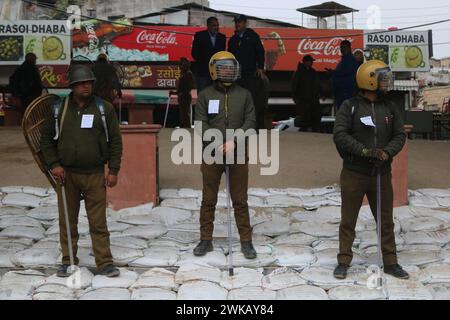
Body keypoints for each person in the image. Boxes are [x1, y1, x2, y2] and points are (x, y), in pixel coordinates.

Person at [40, 65, 123, 278]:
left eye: (89, 83)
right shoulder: (58, 109)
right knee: (68, 221)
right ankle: (68, 261)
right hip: (66, 175)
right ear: (73, 86)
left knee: (98, 222)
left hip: (95, 174)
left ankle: (104, 263)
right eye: (82, 83)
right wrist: (54, 165)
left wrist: (113, 170)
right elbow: (46, 141)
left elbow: (115, 141)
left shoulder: (104, 109)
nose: (87, 86)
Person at [333, 60, 409, 280]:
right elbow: (340, 135)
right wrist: (366, 152)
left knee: (386, 220)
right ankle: (343, 261)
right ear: (370, 80)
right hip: (354, 173)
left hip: (381, 174)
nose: (386, 82)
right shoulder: (350, 106)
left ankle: (391, 262)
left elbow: (399, 134)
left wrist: (387, 152)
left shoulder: (390, 107)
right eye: (382, 78)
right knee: (348, 220)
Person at [194, 51, 257, 259]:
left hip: (237, 154)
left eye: (232, 66)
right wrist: (216, 143)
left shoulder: (245, 95)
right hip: (212, 154)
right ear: (214, 70)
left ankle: (246, 242)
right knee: (208, 199)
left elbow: (250, 123)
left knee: (240, 200)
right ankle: (205, 240)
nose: (229, 70)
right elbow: (200, 124)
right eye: (224, 67)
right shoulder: (205, 95)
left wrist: (234, 141)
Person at [228, 14, 266, 130]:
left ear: (245, 23)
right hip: (236, 75)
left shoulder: (252, 36)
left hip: (250, 74)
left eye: (239, 22)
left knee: (251, 100)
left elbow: (260, 52)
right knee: (237, 101)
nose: (237, 24)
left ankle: (253, 127)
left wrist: (260, 67)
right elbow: (229, 56)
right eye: (236, 22)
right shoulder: (233, 39)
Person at [191, 16, 226, 92]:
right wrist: (205, 61)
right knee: (203, 95)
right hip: (203, 73)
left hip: (217, 75)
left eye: (217, 25)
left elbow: (222, 54)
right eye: (214, 25)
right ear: (208, 26)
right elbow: (194, 53)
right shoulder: (199, 36)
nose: (216, 27)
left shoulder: (222, 37)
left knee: (216, 96)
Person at [291, 55, 321, 132]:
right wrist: (296, 98)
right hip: (303, 100)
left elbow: (318, 84)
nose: (312, 63)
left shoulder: (313, 72)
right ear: (305, 62)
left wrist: (321, 93)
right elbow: (294, 86)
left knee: (315, 118)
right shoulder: (299, 73)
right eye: (310, 61)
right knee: (305, 119)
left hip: (313, 100)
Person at [331, 40, 360, 111]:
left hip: (347, 96)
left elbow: (349, 78)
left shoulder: (351, 61)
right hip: (342, 95)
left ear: (349, 48)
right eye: (341, 47)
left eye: (344, 47)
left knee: (345, 117)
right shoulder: (344, 60)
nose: (342, 49)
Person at [177, 57, 195, 128]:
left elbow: (190, 85)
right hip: (182, 96)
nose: (180, 66)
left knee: (185, 114)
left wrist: (182, 93)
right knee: (182, 114)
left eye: (181, 65)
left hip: (185, 97)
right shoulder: (183, 74)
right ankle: (183, 128)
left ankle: (187, 129)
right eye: (179, 64)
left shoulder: (188, 74)